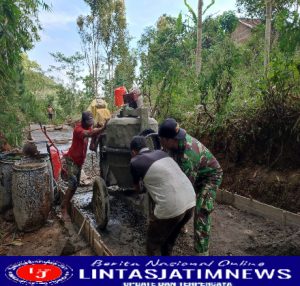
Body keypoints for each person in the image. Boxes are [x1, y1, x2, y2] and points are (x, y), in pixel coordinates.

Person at [158, 118, 223, 256]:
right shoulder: (171, 145)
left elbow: (184, 189)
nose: (176, 139)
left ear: (168, 140)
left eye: (176, 138)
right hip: (195, 174)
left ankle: (202, 254)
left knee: (201, 212)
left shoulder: (189, 156)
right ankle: (181, 225)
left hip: (209, 178)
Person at [130, 136, 195, 256]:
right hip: (190, 201)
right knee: (170, 239)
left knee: (152, 243)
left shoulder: (134, 161)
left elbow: (137, 189)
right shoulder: (162, 153)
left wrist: (142, 189)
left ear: (133, 152)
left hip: (172, 207)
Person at [61, 111, 105, 219]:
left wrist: (96, 137)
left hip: (79, 162)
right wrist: (102, 129)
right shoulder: (78, 129)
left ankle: (65, 202)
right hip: (72, 160)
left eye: (91, 122)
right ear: (83, 121)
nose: (90, 124)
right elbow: (88, 134)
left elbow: (92, 146)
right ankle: (63, 209)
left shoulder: (89, 127)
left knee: (75, 186)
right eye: (88, 122)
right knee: (73, 183)